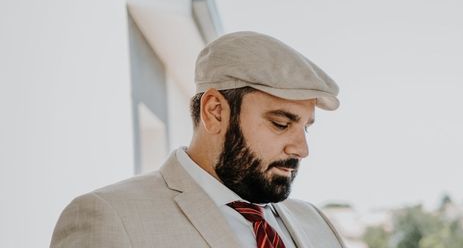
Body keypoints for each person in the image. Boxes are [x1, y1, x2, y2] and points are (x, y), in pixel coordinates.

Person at [50, 31, 346, 248]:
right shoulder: (110, 218)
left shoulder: (316, 224)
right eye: (280, 123)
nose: (301, 149)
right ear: (215, 111)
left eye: (306, 127)